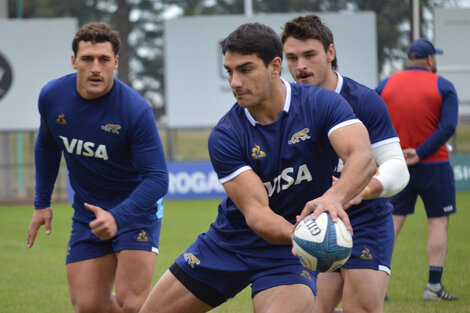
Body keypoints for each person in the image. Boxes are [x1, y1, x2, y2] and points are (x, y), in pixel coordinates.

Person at [139, 22, 376, 313]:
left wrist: (333, 199)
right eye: (229, 71)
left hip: (285, 257)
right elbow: (257, 213)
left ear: (275, 66)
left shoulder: (322, 104)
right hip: (228, 244)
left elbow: (362, 156)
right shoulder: (226, 135)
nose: (235, 82)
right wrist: (302, 235)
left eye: (246, 69)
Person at [27, 22, 169, 313]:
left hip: (135, 211)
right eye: (87, 59)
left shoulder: (135, 110)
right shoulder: (52, 96)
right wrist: (42, 203)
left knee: (133, 304)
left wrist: (118, 217)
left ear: (115, 62)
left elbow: (158, 179)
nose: (95, 68)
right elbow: (47, 145)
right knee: (89, 306)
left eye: (104, 60)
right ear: (73, 61)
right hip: (88, 212)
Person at [281, 14, 409, 313]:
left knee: (361, 307)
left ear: (330, 52)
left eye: (310, 55)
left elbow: (396, 167)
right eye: (292, 57)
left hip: (364, 219)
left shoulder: (363, 100)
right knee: (313, 307)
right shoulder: (284, 107)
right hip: (311, 219)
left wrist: (360, 192)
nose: (300, 66)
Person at [376, 37, 458, 301]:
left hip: (394, 164)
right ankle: (433, 286)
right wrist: (420, 153)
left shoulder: (386, 84)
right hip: (434, 164)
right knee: (438, 222)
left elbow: (371, 119)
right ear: (431, 60)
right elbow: (447, 127)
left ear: (410, 59)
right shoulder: (443, 85)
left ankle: (377, 285)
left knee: (391, 223)